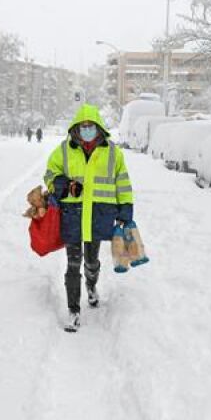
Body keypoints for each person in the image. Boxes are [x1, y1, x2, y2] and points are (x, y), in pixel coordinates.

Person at [43, 103, 134, 331]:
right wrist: (65, 184)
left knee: (91, 262)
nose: (86, 130)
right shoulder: (64, 150)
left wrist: (125, 210)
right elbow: (50, 174)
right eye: (82, 126)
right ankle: (73, 310)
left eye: (90, 126)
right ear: (76, 128)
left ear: (98, 127)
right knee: (73, 264)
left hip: (98, 217)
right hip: (72, 216)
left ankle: (91, 286)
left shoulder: (113, 152)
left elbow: (122, 182)